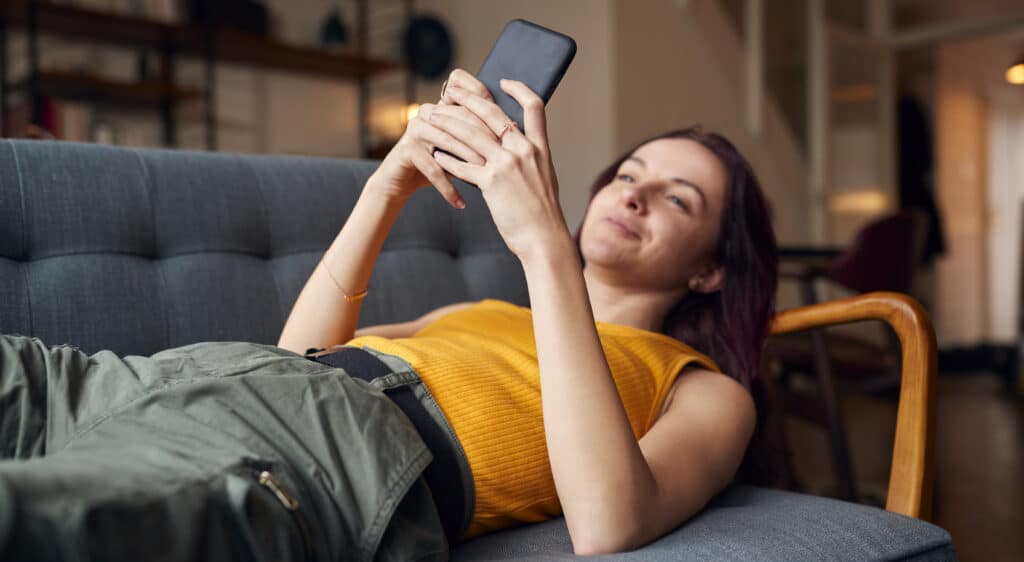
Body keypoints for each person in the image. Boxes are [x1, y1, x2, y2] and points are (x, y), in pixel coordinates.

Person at [0, 69, 777, 561]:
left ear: (711, 268)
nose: (634, 194)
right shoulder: (483, 312)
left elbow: (609, 525)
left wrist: (543, 245)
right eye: (630, 173)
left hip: (320, 456)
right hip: (183, 379)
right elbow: (299, 356)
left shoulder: (703, 389)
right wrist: (387, 188)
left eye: (679, 198)